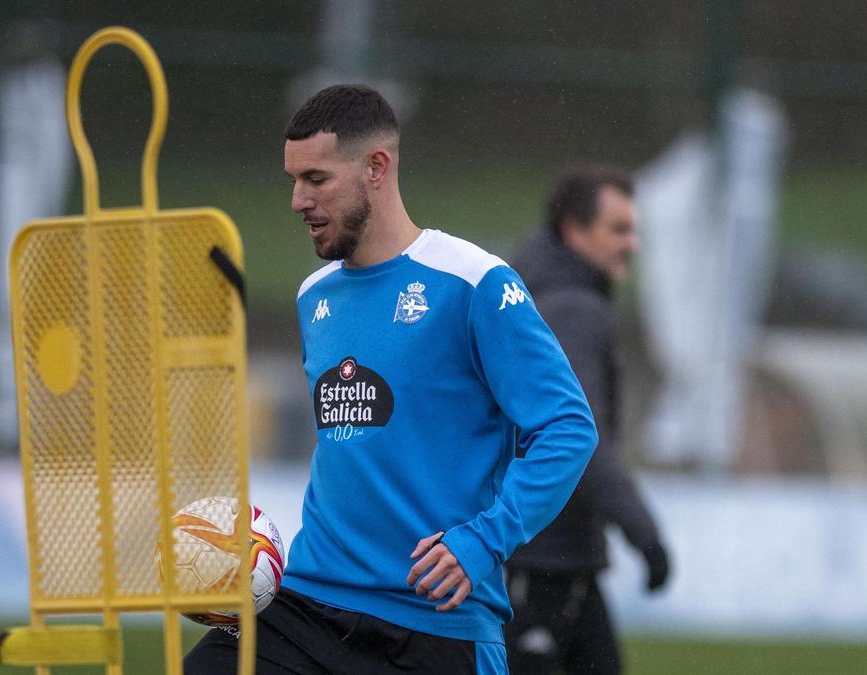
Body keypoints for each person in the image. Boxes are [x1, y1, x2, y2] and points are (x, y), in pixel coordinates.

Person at [185, 85, 598, 675]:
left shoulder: (475, 282)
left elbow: (568, 427)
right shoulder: (314, 297)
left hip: (435, 621)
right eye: (293, 180)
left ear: (376, 168)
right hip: (308, 604)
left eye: (316, 179)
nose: (298, 200)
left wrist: (484, 540)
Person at [503, 166, 671, 675]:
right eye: (618, 229)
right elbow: (580, 435)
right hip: (542, 559)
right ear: (575, 232)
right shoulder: (573, 310)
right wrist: (643, 532)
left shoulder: (537, 296)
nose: (631, 244)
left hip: (556, 556)